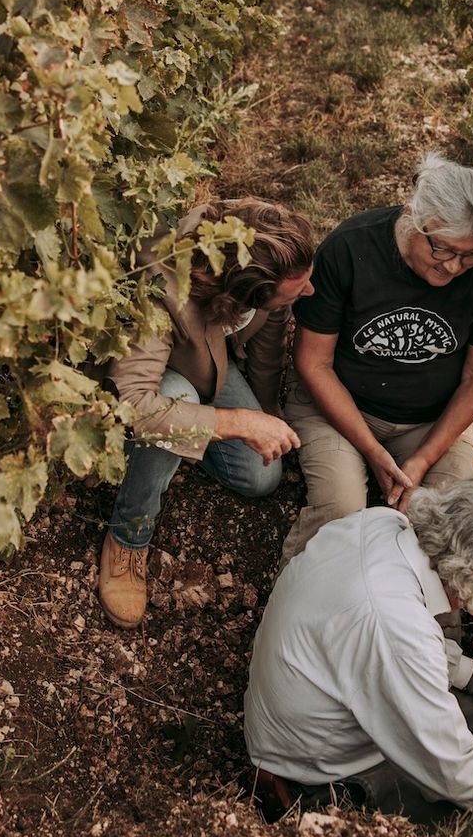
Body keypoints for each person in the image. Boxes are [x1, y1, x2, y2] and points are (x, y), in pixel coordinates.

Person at [244, 478, 473, 837]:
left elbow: (390, 640)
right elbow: (460, 776)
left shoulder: (379, 523)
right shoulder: (395, 629)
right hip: (317, 777)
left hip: (313, 720)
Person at [280, 153, 473, 565]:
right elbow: (314, 363)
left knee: (452, 524)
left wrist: (424, 457)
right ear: (412, 217)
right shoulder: (350, 247)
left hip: (433, 418)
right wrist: (373, 451)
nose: (453, 266)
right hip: (337, 408)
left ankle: (429, 610)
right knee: (340, 511)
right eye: (442, 248)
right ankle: (300, 594)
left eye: (470, 255)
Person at [101, 198, 316, 629]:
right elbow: (133, 404)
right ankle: (128, 536)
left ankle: (183, 440)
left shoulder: (265, 242)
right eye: (296, 291)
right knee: (171, 407)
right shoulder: (163, 287)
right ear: (241, 292)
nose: (308, 292)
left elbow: (269, 339)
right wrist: (235, 423)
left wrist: (266, 412)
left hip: (212, 363)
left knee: (259, 478)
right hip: (154, 379)